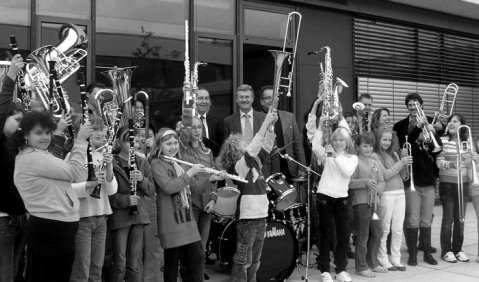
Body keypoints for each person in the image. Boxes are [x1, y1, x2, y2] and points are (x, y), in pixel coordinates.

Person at [13, 111, 91, 282]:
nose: (45, 137)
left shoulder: (34, 156)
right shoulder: (34, 158)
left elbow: (58, 184)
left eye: (47, 132)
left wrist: (58, 132)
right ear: (26, 134)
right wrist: (79, 141)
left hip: (53, 225)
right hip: (52, 228)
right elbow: (76, 172)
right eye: (39, 133)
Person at [149, 128, 224, 282]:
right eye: (168, 143)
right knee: (172, 264)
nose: (173, 146)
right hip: (171, 221)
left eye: (175, 143)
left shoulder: (178, 162)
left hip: (187, 220)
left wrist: (210, 179)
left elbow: (193, 188)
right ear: (160, 146)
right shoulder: (156, 163)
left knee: (196, 258)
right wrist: (190, 173)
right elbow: (169, 187)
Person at [215, 109, 277, 282]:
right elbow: (256, 146)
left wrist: (272, 126)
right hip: (248, 218)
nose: (247, 145)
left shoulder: (254, 162)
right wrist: (265, 122)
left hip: (261, 215)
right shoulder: (239, 167)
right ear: (236, 150)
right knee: (244, 260)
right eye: (243, 144)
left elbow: (266, 145)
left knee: (255, 260)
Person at [393, 92, 442, 266]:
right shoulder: (400, 126)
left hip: (428, 177)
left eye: (416, 104)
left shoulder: (430, 122)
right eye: (410, 105)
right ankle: (413, 254)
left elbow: (438, 147)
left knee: (426, 219)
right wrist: (416, 131)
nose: (413, 107)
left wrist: (430, 130)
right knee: (412, 218)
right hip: (411, 176)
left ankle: (427, 252)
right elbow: (402, 146)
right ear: (407, 107)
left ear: (421, 105)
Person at [70, 115, 118, 282]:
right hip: (82, 218)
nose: (102, 138)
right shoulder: (73, 156)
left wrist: (109, 166)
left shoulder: (103, 156)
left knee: (96, 267)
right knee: (81, 268)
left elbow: (112, 191)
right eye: (97, 134)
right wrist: (88, 184)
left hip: (101, 216)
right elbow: (66, 190)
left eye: (104, 135)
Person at [311, 120, 357, 282]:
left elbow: (347, 171)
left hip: (342, 199)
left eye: (341, 140)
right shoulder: (327, 154)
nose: (338, 143)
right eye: (335, 140)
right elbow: (315, 146)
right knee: (325, 234)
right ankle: (325, 269)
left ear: (347, 142)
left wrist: (336, 156)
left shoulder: (352, 158)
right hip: (325, 196)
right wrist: (320, 126)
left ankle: (341, 270)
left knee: (343, 235)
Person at [177, 112, 222, 279]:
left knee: (201, 249)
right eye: (193, 127)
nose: (197, 130)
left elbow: (214, 178)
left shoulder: (208, 151)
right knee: (190, 248)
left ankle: (198, 277)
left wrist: (213, 199)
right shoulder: (182, 150)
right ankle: (188, 277)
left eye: (199, 127)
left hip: (206, 205)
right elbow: (190, 184)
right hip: (191, 205)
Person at [108, 125, 155, 282]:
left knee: (134, 264)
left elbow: (151, 189)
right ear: (120, 142)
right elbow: (108, 194)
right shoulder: (112, 163)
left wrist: (141, 179)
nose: (132, 145)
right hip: (120, 217)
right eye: (128, 141)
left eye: (134, 142)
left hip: (139, 216)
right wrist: (125, 200)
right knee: (120, 263)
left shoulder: (142, 162)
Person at [0, 54, 27, 282]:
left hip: (19, 217)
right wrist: (10, 79)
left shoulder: (15, 144)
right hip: (2, 220)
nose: (21, 125)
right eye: (17, 120)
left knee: (15, 274)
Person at [373, 127, 411, 271]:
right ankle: (382, 258)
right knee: (385, 229)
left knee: (397, 229)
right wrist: (401, 163)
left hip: (400, 192)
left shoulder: (394, 154)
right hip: (386, 195)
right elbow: (386, 175)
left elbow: (403, 176)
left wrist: (404, 162)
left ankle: (396, 258)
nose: (387, 142)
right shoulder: (375, 156)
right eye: (384, 139)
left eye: (389, 140)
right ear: (378, 140)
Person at [349, 132, 386, 277]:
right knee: (363, 235)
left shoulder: (374, 162)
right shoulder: (354, 162)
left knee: (377, 233)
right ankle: (361, 267)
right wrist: (365, 182)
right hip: (360, 203)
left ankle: (373, 262)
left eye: (370, 146)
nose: (368, 149)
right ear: (357, 147)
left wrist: (378, 188)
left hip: (374, 203)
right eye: (364, 146)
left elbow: (382, 181)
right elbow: (349, 183)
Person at [436, 114, 471, 263]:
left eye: (455, 121)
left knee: (460, 219)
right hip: (447, 184)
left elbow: (471, 163)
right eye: (450, 121)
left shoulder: (467, 142)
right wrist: (450, 164)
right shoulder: (443, 140)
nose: (451, 123)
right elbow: (438, 161)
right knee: (448, 219)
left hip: (463, 183)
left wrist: (471, 160)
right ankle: (446, 250)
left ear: (462, 125)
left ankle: (458, 249)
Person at [258, 85, 306, 179]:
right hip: (266, 169)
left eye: (274, 98)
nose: (271, 101)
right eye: (267, 98)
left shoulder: (289, 117)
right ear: (261, 101)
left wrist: (302, 167)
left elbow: (298, 146)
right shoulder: (257, 118)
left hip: (288, 169)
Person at [196, 88, 223, 156]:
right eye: (200, 98)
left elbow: (221, 147)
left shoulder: (217, 122)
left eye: (207, 98)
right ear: (193, 101)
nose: (204, 101)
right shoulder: (187, 121)